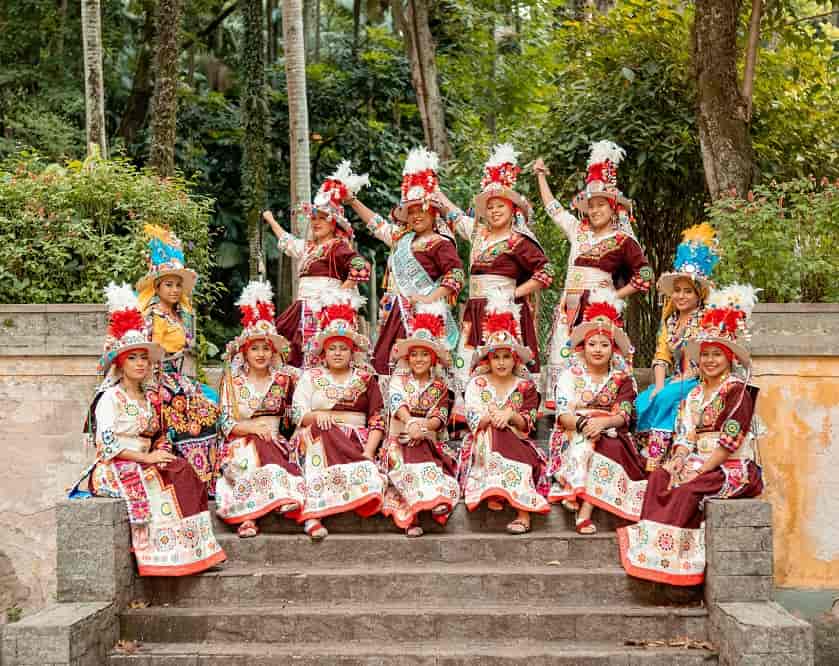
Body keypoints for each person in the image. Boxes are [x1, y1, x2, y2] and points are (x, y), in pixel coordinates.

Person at [618, 284, 763, 586]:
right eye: (705, 355)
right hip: (697, 460)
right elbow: (685, 436)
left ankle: (679, 564)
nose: (710, 360)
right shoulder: (694, 394)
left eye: (717, 355)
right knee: (659, 477)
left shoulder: (737, 391)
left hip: (730, 466)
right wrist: (678, 460)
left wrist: (699, 469)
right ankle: (651, 552)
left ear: (729, 359)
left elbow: (729, 444)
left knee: (687, 490)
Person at [82, 283, 226, 575]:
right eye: (132, 358)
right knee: (166, 484)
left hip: (146, 460)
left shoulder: (150, 398)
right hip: (117, 466)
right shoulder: (110, 398)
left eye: (143, 358)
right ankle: (163, 555)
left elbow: (159, 435)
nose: (139, 363)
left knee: (184, 473)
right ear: (120, 364)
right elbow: (106, 443)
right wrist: (146, 459)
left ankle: (194, 552)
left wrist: (159, 450)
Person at [533, 142, 653, 410]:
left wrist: (613, 295)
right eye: (592, 205)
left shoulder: (622, 239)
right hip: (570, 304)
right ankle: (563, 414)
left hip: (600, 307)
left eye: (602, 205)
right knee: (562, 356)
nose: (596, 210)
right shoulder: (578, 231)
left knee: (599, 357)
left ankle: (604, 408)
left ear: (613, 208)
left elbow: (644, 274)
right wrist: (541, 176)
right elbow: (553, 208)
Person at [435, 144, 554, 391]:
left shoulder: (519, 239)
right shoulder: (478, 233)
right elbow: (455, 215)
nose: (495, 211)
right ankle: (469, 417)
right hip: (475, 310)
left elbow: (545, 273)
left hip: (505, 310)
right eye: (490, 207)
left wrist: (512, 294)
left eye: (500, 206)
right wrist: (435, 191)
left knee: (505, 364)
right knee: (468, 363)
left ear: (513, 209)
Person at [344, 147, 464, 377]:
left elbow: (456, 275)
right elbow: (377, 225)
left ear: (434, 214)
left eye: (422, 210)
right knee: (385, 362)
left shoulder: (441, 242)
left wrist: (429, 297)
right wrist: (353, 202)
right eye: (411, 211)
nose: (416, 215)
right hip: (394, 312)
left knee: (421, 368)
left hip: (423, 315)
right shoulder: (402, 239)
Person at [546, 290, 647, 534]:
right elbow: (562, 414)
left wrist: (602, 424)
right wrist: (584, 425)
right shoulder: (570, 376)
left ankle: (584, 509)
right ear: (583, 347)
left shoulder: (622, 379)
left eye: (604, 345)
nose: (598, 350)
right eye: (592, 344)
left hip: (611, 432)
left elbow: (623, 414)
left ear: (613, 349)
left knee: (606, 447)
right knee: (586, 444)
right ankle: (575, 490)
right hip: (573, 431)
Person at [290, 289, 388, 540]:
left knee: (367, 472)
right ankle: (313, 514)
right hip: (318, 438)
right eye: (332, 348)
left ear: (352, 351)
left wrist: (368, 451)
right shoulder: (310, 377)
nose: (337, 353)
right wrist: (317, 417)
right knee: (317, 432)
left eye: (343, 348)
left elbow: (377, 418)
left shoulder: (366, 379)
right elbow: (297, 412)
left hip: (356, 442)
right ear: (323, 352)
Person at [215, 281, 306, 538]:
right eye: (254, 348)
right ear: (244, 352)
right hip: (241, 442)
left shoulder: (286, 379)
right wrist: (253, 427)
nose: (261, 353)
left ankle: (282, 501)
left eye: (266, 348)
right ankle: (249, 516)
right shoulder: (232, 381)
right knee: (248, 460)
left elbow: (295, 413)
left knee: (277, 459)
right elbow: (225, 422)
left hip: (277, 442)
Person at [262, 161, 372, 367]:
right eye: (313, 218)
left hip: (324, 310)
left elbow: (361, 266)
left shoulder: (338, 246)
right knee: (285, 350)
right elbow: (288, 242)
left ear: (334, 223)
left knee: (321, 357)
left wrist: (340, 293)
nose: (316, 222)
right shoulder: (308, 248)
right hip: (301, 308)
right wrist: (271, 220)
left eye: (323, 218)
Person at [137, 225, 221, 493]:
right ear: (157, 287)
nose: (174, 290)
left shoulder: (179, 315)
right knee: (200, 410)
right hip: (161, 380)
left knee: (214, 404)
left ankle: (206, 480)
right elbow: (150, 354)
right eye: (168, 285)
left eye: (177, 285)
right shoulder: (153, 316)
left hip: (182, 378)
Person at [459, 291, 550, 535]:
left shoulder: (525, 386)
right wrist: (494, 417)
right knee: (493, 433)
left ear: (515, 359)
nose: (501, 362)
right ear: (488, 359)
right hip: (484, 440)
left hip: (518, 442)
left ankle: (522, 511)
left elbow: (527, 423)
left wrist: (510, 415)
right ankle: (498, 491)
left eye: (506, 357)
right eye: (495, 356)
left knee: (506, 436)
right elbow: (473, 418)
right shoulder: (476, 384)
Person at [635, 224, 720, 470]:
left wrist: (691, 375)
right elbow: (662, 355)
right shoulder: (670, 320)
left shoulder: (707, 319)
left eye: (688, 292)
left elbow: (712, 355)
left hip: (701, 378)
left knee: (668, 397)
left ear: (699, 295)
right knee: (645, 400)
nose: (681, 296)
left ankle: (658, 459)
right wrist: (659, 384)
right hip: (675, 378)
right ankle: (645, 454)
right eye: (678, 291)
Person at [379, 302, 460, 537]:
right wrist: (412, 424)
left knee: (426, 460)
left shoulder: (440, 387)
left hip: (426, 440)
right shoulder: (398, 379)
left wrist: (423, 428)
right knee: (401, 461)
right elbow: (397, 402)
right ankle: (412, 515)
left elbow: (440, 415)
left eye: (425, 354)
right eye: (414, 354)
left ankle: (431, 503)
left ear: (433, 359)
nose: (419, 359)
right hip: (399, 437)